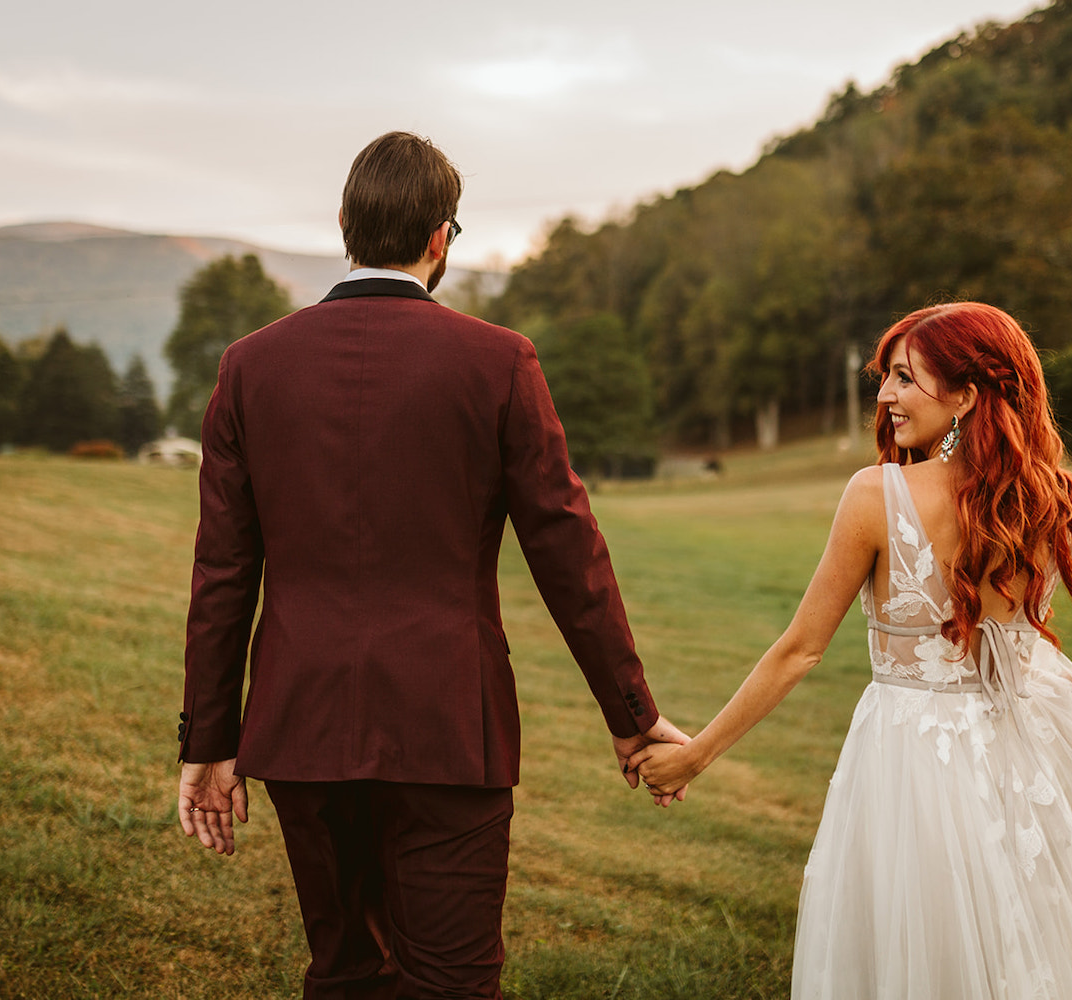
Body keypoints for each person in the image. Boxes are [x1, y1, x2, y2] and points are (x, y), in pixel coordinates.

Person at [174, 130, 687, 1000]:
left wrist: (208, 743)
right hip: (451, 727)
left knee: (346, 975)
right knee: (451, 980)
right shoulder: (498, 362)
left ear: (344, 223)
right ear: (443, 238)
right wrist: (631, 713)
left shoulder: (249, 367)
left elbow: (222, 573)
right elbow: (568, 549)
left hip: (302, 730)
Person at [633, 302, 1072, 999]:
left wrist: (696, 754)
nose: (885, 396)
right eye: (885, 378)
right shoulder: (1053, 499)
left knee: (914, 954)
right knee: (1028, 950)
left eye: (904, 378)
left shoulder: (877, 494)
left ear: (964, 394)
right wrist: (1050, 691)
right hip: (1022, 759)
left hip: (908, 762)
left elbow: (800, 650)